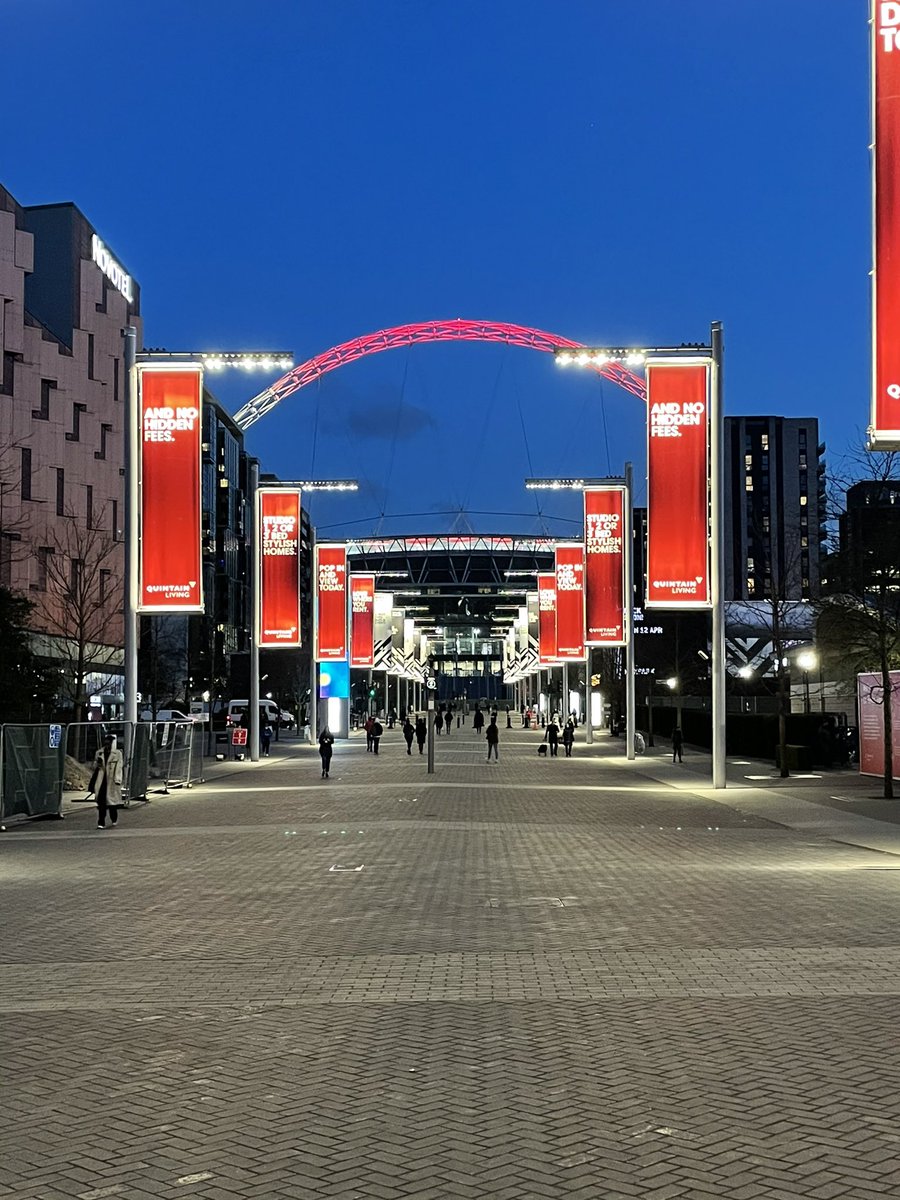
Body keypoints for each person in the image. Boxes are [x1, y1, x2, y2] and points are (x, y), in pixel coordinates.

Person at [89, 733, 124, 829]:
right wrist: (98, 764)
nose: (107, 745)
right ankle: (101, 822)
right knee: (101, 803)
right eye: (106, 743)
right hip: (101, 780)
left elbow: (119, 767)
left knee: (112, 803)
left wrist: (117, 779)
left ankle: (114, 818)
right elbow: (94, 767)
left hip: (111, 780)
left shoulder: (117, 753)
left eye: (109, 743)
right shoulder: (99, 753)